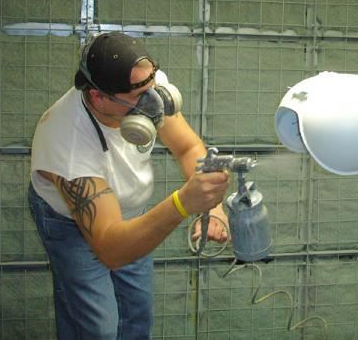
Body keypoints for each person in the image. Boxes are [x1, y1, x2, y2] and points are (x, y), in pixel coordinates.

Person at [27, 32, 230, 339]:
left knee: (137, 318)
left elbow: (188, 148)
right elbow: (111, 249)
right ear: (98, 96)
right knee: (98, 327)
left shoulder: (141, 82)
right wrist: (183, 203)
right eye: (138, 97)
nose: (152, 101)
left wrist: (213, 206)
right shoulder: (66, 143)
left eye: (152, 88)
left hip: (131, 210)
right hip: (71, 222)